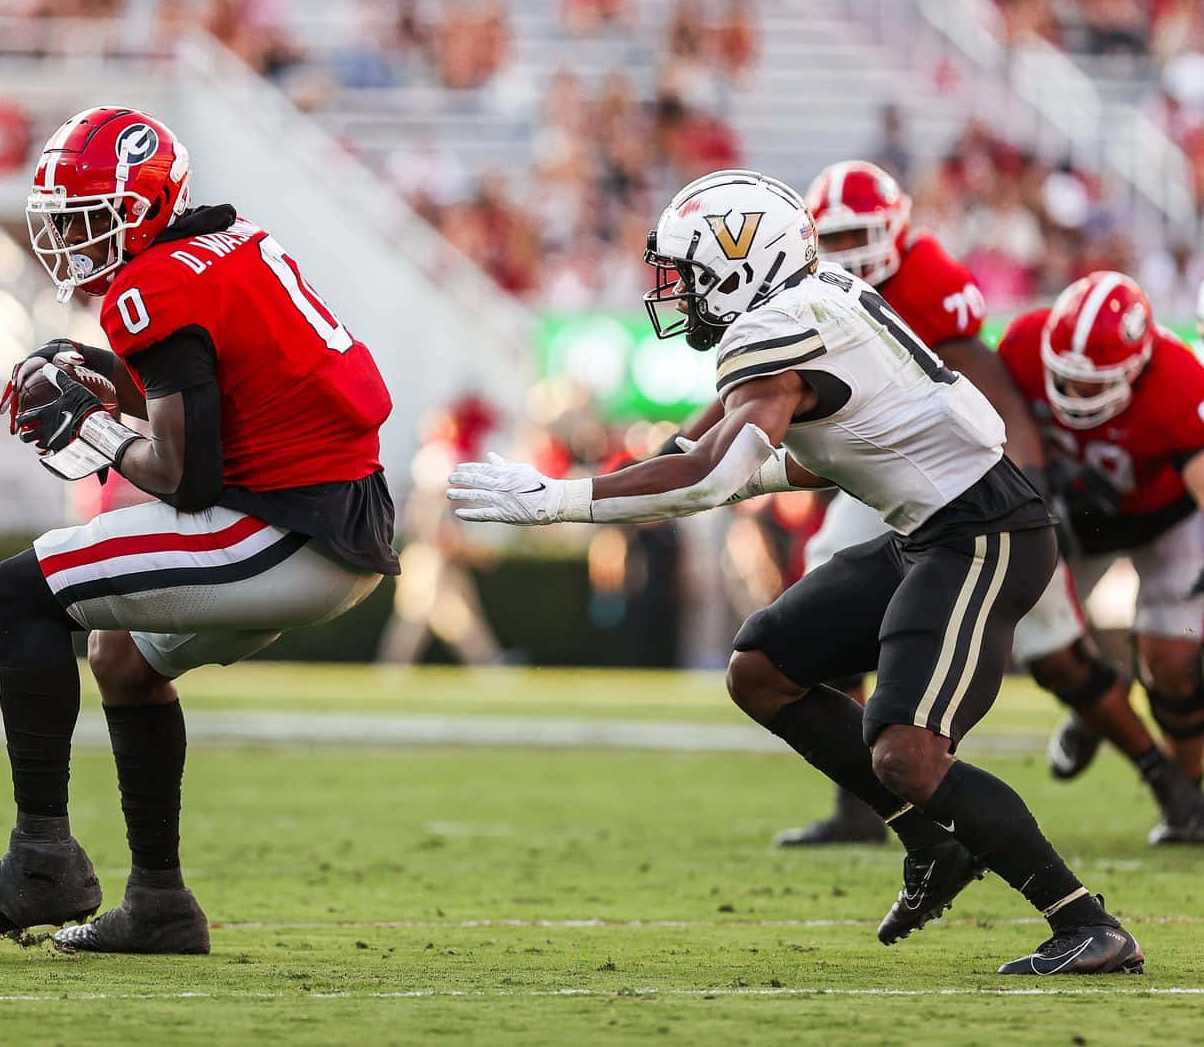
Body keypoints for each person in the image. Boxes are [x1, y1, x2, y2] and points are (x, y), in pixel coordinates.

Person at [448, 169, 1143, 975]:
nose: (678, 292)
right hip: (932, 526)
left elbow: (708, 477)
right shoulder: (814, 301)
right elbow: (729, 454)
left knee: (907, 752)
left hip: (984, 533)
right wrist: (648, 481)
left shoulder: (777, 327)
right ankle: (930, 843)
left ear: (742, 266)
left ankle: (1085, 920)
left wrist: (556, 499)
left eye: (690, 273)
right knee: (761, 668)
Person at [0, 108, 399, 954]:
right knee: (122, 658)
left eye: (87, 214)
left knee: (21, 590)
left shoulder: (151, 285)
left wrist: (94, 426)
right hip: (333, 512)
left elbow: (187, 477)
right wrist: (113, 388)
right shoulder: (228, 240)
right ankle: (160, 904)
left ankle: (42, 859)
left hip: (282, 529)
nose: (71, 235)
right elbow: (215, 403)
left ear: (139, 205)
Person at [678, 161, 1202, 847]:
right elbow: (751, 384)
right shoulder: (802, 290)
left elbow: (992, 392)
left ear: (897, 229)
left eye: (859, 234)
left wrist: (1035, 482)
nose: (844, 252)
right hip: (878, 475)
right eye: (830, 237)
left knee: (1054, 649)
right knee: (824, 597)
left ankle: (1161, 775)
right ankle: (859, 803)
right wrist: (680, 446)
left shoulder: (931, 283)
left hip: (965, 481)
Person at [996, 272, 1204, 843]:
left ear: (1138, 367)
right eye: (1065, 379)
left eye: (1094, 385)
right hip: (1074, 517)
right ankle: (1107, 711)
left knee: (1173, 659)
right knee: (1045, 649)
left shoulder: (1179, 379)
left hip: (1166, 519)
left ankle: (1188, 798)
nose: (1076, 395)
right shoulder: (1022, 344)